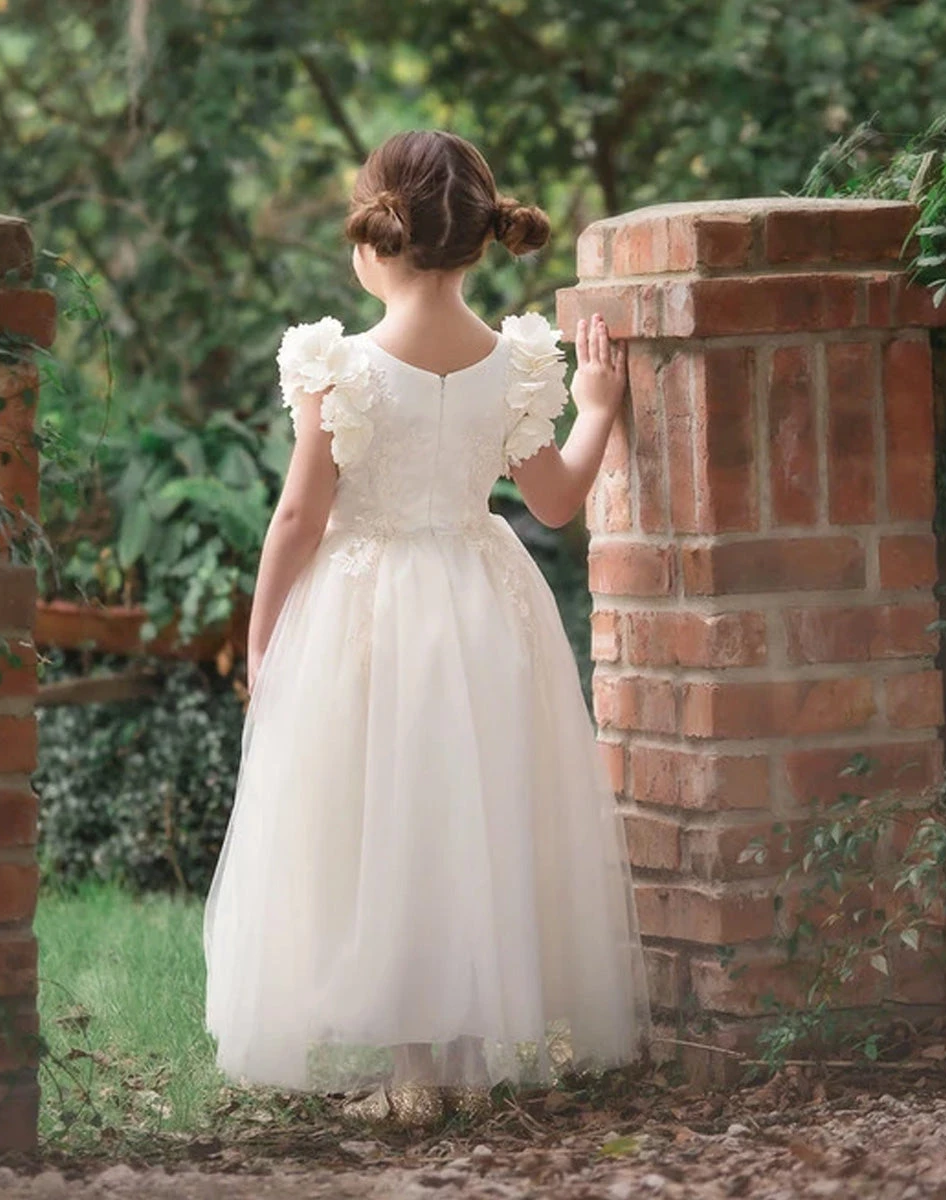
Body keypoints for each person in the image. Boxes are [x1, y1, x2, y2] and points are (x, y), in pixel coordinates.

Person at [203, 129, 651, 1128]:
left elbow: (299, 515)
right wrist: (598, 405)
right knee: (470, 812)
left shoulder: (338, 367)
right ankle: (466, 1066)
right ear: (483, 239)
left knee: (388, 815)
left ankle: (414, 1076)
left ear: (376, 236)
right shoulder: (516, 364)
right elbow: (557, 502)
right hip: (484, 602)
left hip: (367, 610)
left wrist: (264, 640)